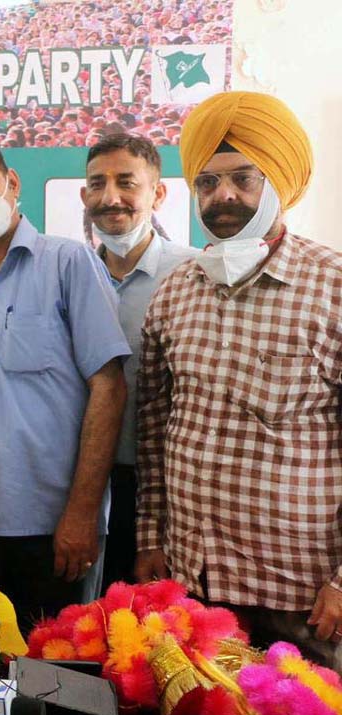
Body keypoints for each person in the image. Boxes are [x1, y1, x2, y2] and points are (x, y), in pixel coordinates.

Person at [135, 92, 342, 669]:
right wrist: (149, 537)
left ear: (277, 182)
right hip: (194, 587)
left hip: (304, 600)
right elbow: (153, 433)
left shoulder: (333, 287)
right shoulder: (175, 292)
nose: (223, 195)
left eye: (243, 179)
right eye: (207, 182)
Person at [0, 137, 129, 624]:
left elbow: (109, 386)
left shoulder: (68, 263)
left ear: (12, 184)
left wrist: (82, 511)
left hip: (54, 527)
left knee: (51, 662)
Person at [79, 135, 198, 592]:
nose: (111, 197)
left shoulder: (192, 274)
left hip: (166, 491)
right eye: (98, 184)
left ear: (158, 193)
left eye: (126, 182)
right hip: (84, 485)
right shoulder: (71, 275)